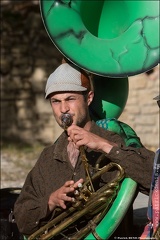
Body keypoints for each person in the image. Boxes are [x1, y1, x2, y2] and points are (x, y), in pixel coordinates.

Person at [14, 62, 155, 239]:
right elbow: (21, 218)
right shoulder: (47, 158)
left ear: (89, 98)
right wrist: (50, 201)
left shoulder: (113, 140)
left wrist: (104, 146)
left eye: (70, 99)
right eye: (56, 102)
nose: (63, 109)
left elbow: (154, 179)